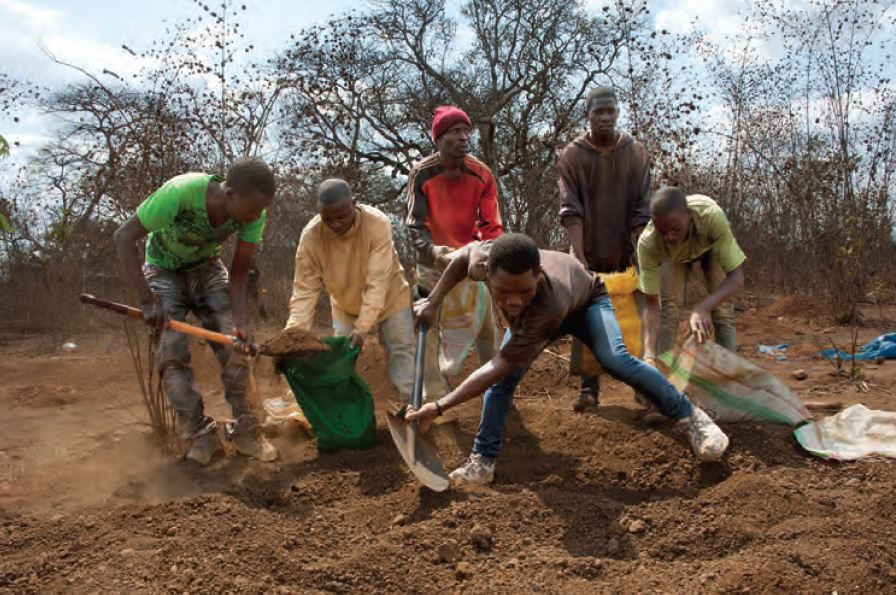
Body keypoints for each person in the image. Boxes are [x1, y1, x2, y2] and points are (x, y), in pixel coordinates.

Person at [406, 233, 729, 484]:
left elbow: (499, 365)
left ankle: (692, 418)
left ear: (538, 277)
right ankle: (483, 461)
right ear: (488, 275)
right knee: (504, 383)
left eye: (524, 291)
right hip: (544, 307)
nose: (513, 300)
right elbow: (462, 257)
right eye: (503, 291)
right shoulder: (485, 260)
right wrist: (433, 302)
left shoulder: (547, 305)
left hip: (586, 301)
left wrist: (439, 406)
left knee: (614, 359)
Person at [113, 157, 279, 465]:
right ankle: (201, 436)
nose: (257, 216)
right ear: (230, 195)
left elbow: (240, 273)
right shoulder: (180, 193)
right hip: (163, 271)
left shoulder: (255, 214)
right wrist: (147, 300)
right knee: (171, 354)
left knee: (235, 346)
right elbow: (123, 237)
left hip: (207, 270)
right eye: (253, 209)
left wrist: (240, 324)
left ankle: (248, 432)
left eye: (261, 210)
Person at [558, 86, 651, 412]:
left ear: (618, 113)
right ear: (588, 115)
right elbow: (570, 209)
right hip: (588, 249)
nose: (606, 117)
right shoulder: (573, 155)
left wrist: (639, 251)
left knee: (631, 320)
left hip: (624, 251)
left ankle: (641, 387)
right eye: (599, 112)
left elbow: (643, 206)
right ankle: (589, 388)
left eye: (611, 111)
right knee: (588, 320)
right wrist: (579, 257)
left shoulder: (635, 152)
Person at [286, 178, 414, 404]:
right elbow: (304, 292)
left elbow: (378, 282)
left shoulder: (377, 224)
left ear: (354, 203)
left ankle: (411, 406)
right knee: (340, 361)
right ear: (319, 213)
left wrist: (363, 328)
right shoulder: (311, 237)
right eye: (328, 219)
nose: (335, 223)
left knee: (401, 348)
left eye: (342, 216)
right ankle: (342, 411)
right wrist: (293, 337)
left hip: (391, 299)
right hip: (345, 306)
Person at [406, 105, 504, 400]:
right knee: (426, 326)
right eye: (454, 132)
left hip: (471, 261)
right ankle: (433, 394)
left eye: (466, 131)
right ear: (438, 139)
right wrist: (435, 253)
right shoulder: (421, 174)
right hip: (433, 264)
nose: (463, 137)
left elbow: (492, 225)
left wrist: (487, 257)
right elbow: (414, 225)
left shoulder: (481, 174)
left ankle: (498, 391)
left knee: (487, 329)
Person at [638, 187, 746, 365]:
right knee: (669, 310)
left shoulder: (712, 217)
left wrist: (703, 307)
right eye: (662, 232)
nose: (669, 237)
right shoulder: (648, 243)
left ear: (688, 214)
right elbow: (651, 303)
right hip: (675, 258)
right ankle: (663, 375)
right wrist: (649, 353)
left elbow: (736, 277)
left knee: (723, 311)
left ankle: (727, 373)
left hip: (710, 247)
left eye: (675, 229)